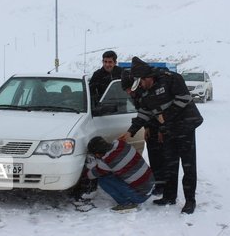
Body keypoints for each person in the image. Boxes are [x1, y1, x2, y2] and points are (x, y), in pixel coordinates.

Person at [119, 57, 203, 215]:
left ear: (147, 78)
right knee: (170, 165)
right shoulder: (144, 91)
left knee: (188, 165)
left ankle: (190, 201)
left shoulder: (171, 79)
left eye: (141, 82)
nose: (140, 87)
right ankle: (170, 196)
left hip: (185, 126)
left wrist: (166, 116)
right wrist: (130, 131)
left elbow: (183, 98)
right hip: (169, 129)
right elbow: (144, 112)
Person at [121, 69, 165, 196]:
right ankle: (158, 183)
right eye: (126, 90)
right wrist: (146, 127)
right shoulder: (134, 95)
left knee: (162, 158)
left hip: (161, 127)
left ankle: (164, 185)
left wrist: (162, 129)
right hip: (150, 127)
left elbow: (156, 112)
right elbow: (142, 113)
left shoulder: (147, 92)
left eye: (129, 88)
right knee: (154, 157)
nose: (128, 92)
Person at [85, 136, 155, 212]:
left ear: (98, 154)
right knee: (116, 172)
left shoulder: (108, 162)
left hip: (141, 196)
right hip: (150, 186)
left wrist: (87, 169)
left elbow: (90, 175)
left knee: (103, 180)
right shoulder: (122, 144)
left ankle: (126, 204)